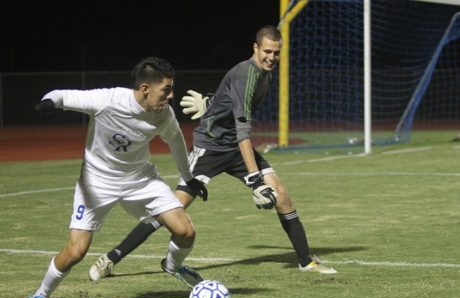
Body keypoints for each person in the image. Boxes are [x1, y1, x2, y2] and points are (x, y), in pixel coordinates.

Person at [89, 25, 337, 281]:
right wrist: (254, 179)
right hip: (211, 147)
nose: (271, 57)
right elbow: (243, 130)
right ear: (255, 48)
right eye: (267, 51)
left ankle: (306, 261)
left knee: (282, 196)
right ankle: (111, 258)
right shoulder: (246, 74)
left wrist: (210, 103)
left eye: (276, 52)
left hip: (236, 147)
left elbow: (230, 99)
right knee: (171, 209)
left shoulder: (265, 74)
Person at [21, 57, 208, 298]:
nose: (171, 95)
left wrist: (188, 177)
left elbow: (176, 142)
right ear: (145, 89)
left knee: (186, 231)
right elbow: (62, 96)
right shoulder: (108, 100)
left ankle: (173, 267)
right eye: (166, 89)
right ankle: (40, 294)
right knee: (76, 251)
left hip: (141, 179)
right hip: (96, 182)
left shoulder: (163, 114)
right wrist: (49, 102)